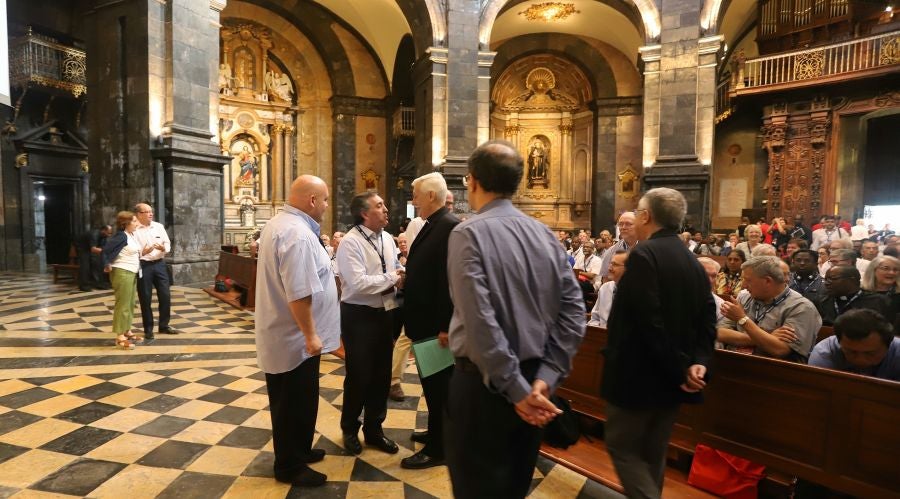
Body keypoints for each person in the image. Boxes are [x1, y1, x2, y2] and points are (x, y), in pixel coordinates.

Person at [445, 141, 585, 498]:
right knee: (514, 488)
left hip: (485, 388)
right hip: (537, 385)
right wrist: (546, 378)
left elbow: (480, 321)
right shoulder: (545, 235)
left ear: (472, 181)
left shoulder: (467, 232)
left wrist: (516, 390)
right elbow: (574, 312)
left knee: (476, 489)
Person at [602, 187, 716, 499]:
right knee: (653, 452)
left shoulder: (644, 254)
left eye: (637, 212)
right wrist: (699, 362)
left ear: (646, 216)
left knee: (622, 447)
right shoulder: (691, 259)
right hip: (672, 378)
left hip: (640, 374)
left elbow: (647, 321)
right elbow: (708, 315)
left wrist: (681, 368)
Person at [254, 175, 340, 488]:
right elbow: (299, 291)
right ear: (312, 200)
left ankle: (300, 449)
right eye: (326, 199)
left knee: (302, 399)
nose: (327, 206)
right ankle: (289, 465)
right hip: (294, 339)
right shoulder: (297, 234)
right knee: (292, 402)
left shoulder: (282, 225)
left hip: (290, 336)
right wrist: (311, 334)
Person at [400, 172, 460, 470]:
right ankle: (436, 433)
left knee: (438, 388)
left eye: (416, 195)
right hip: (424, 324)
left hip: (436, 328)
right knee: (431, 385)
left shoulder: (449, 227)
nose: (413, 200)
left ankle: (439, 448)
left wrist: (446, 326)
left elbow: (450, 282)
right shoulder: (432, 224)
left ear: (432, 196)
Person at [336, 192, 404, 455]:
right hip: (359, 316)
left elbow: (396, 265)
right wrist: (393, 277)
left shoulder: (387, 238)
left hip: (384, 313)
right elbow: (358, 283)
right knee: (359, 375)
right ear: (365, 213)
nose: (386, 209)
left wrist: (400, 274)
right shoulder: (351, 242)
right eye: (379, 206)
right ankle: (350, 429)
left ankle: (375, 429)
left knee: (381, 375)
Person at [718, 256, 821, 362]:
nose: (743, 285)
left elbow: (779, 350)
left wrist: (742, 319)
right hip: (734, 363)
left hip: (774, 372)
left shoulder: (801, 307)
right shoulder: (745, 297)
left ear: (767, 281)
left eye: (748, 280)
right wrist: (768, 336)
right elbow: (719, 333)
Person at [809, 309, 900, 381]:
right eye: (851, 352)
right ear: (839, 342)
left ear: (888, 344)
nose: (860, 360)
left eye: (870, 354)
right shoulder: (825, 352)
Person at [133, 203, 177, 341]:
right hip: (144, 265)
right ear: (139, 214)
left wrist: (164, 248)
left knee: (165, 296)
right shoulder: (134, 230)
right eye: (146, 212)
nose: (150, 214)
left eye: (151, 211)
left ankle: (164, 325)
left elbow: (167, 243)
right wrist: (143, 251)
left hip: (159, 265)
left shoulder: (158, 226)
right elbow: (133, 249)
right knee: (145, 298)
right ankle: (148, 329)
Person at [102, 212, 143, 350]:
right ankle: (119, 336)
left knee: (130, 303)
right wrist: (107, 264)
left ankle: (127, 330)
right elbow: (105, 251)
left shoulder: (131, 235)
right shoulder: (120, 236)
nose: (137, 223)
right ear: (126, 223)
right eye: (135, 221)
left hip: (131, 272)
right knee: (123, 304)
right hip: (122, 272)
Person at [815, 265, 890, 326]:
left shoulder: (877, 301)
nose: (827, 283)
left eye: (833, 279)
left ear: (852, 280)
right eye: (826, 279)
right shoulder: (823, 301)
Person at [588, 250, 627, 327]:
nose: (609, 268)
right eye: (610, 263)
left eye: (615, 264)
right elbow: (595, 318)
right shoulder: (605, 288)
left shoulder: (637, 292)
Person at [599, 212, 638, 280]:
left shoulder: (648, 248)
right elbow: (606, 278)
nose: (623, 227)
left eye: (628, 224)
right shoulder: (611, 251)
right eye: (620, 224)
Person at [76, 224, 112, 291]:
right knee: (85, 266)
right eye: (108, 233)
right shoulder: (94, 234)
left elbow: (103, 247)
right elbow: (93, 249)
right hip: (83, 248)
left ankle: (99, 284)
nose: (109, 235)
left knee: (98, 264)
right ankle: (84, 286)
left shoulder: (104, 236)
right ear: (103, 230)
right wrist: (106, 250)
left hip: (90, 249)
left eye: (110, 233)